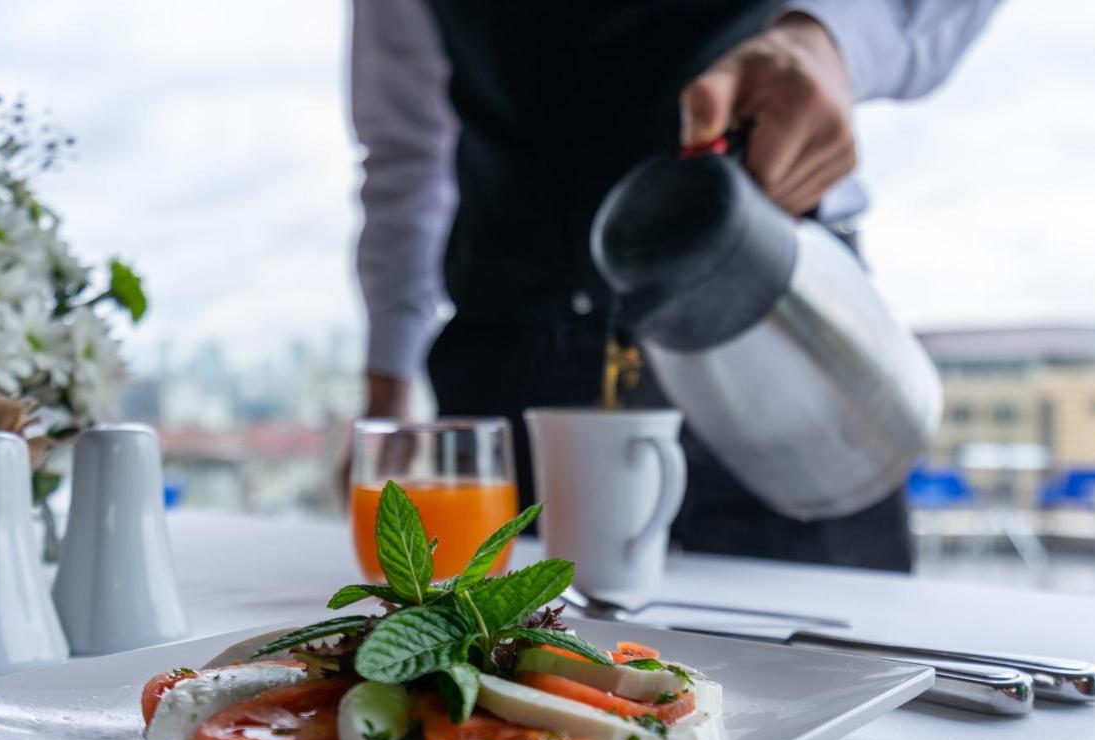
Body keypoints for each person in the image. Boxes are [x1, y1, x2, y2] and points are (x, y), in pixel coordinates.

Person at [351, 0, 1002, 572]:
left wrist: (830, 39)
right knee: (506, 678)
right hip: (509, 363)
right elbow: (406, 151)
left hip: (766, 317)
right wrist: (387, 391)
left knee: (837, 664)